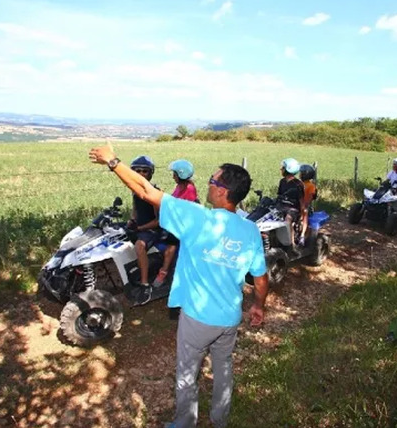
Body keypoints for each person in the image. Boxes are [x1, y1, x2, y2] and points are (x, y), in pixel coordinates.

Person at [88, 145, 269, 428]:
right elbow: (260, 277)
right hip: (230, 317)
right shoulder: (249, 229)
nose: (207, 183)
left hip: (198, 317)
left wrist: (112, 161)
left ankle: (184, 422)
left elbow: (146, 191)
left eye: (212, 180)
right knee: (223, 367)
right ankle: (219, 420)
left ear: (222, 192)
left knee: (187, 373)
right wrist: (258, 305)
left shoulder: (198, 217)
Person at [153, 159, 200, 288]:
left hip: (186, 224)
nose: (173, 176)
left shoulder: (189, 188)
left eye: (174, 174)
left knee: (171, 245)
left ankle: (163, 272)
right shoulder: (180, 186)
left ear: (181, 174)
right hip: (178, 221)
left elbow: (183, 207)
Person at [127, 155, 161, 287]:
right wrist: (132, 220)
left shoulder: (154, 193)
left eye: (144, 171)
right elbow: (135, 209)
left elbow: (158, 221)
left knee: (140, 245)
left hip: (152, 229)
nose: (141, 174)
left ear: (150, 173)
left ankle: (144, 281)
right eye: (137, 171)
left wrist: (140, 228)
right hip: (140, 226)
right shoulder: (135, 191)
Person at [277, 158, 305, 252]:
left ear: (289, 169)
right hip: (282, 206)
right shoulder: (282, 182)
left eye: (283, 168)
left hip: (293, 209)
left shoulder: (298, 184)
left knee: (288, 220)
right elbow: (279, 196)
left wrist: (302, 214)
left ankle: (291, 245)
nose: (281, 169)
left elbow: (301, 201)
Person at [298, 164, 317, 245]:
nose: (299, 174)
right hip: (296, 204)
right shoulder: (299, 183)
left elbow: (309, 198)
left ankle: (302, 236)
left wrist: (304, 206)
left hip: (305, 206)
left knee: (304, 213)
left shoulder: (311, 186)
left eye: (301, 173)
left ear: (305, 175)